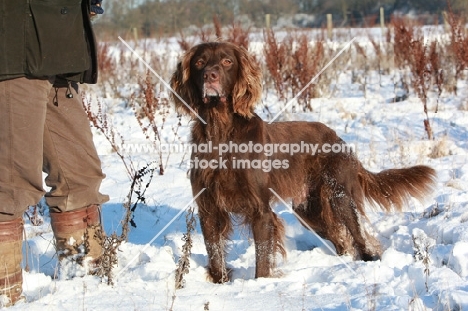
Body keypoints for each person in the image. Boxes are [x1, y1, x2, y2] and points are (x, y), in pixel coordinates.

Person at [0, 0, 108, 307]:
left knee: (80, 177)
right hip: (13, 45)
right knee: (11, 184)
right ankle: (4, 295)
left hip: (59, 45)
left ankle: (88, 288)